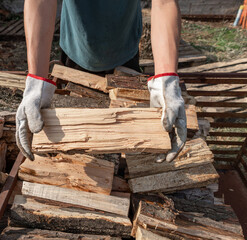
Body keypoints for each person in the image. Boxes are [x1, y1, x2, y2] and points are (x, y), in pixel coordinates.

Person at [16, 0, 186, 163]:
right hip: (77, 46)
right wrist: (36, 82)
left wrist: (167, 80)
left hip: (125, 44)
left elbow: (164, 2)